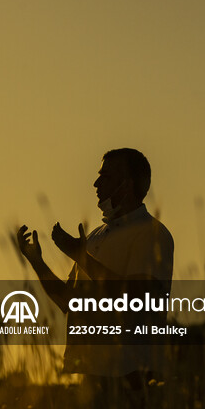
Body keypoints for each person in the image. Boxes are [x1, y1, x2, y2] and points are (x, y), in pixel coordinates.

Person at [17, 148, 174, 380]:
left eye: (106, 177)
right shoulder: (94, 237)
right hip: (91, 375)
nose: (95, 184)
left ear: (128, 185)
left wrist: (81, 257)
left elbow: (137, 298)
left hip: (134, 375)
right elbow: (67, 301)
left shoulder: (152, 235)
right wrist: (37, 262)